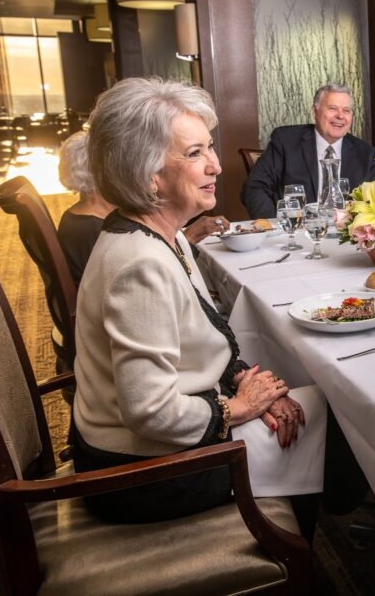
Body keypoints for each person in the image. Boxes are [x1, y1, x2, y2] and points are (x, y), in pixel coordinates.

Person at [73, 78, 327, 532]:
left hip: (147, 443)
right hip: (138, 474)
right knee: (327, 409)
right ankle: (292, 550)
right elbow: (149, 411)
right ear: (147, 174)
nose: (215, 166)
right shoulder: (139, 264)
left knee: (298, 398)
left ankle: (302, 525)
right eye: (194, 154)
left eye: (210, 148)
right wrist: (240, 408)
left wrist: (245, 382)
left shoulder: (162, 232)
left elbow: (202, 340)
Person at [58, 131, 229, 286]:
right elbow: (150, 276)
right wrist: (189, 237)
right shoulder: (90, 230)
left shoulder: (84, 215)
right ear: (103, 171)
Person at [241, 84, 375, 218]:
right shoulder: (286, 141)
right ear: (314, 111)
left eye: (346, 110)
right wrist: (277, 225)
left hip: (344, 236)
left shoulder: (365, 153)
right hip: (296, 232)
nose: (340, 116)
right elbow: (254, 188)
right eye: (332, 108)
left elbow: (373, 204)